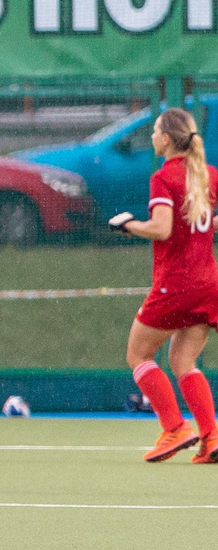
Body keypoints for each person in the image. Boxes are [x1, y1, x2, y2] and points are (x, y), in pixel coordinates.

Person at [106, 109, 218, 464]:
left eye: (155, 131)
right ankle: (211, 437)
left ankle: (175, 428)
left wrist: (128, 225)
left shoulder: (164, 178)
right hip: (207, 282)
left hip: (176, 285)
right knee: (183, 360)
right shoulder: (208, 175)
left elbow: (162, 228)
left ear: (167, 139)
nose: (153, 136)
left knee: (138, 354)